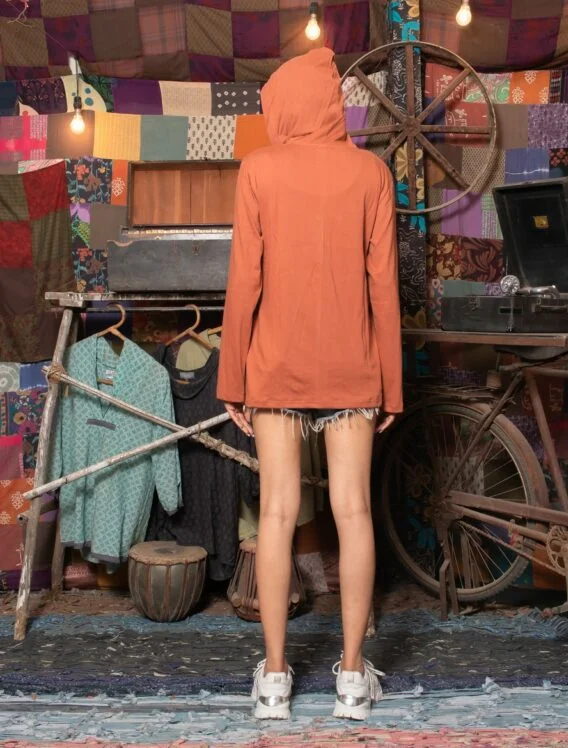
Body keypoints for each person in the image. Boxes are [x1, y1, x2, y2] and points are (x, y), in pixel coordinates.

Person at [217, 47, 402, 721]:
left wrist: (232, 378)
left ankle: (274, 681)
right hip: (353, 367)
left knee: (275, 513)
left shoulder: (259, 169)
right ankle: (351, 680)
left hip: (276, 367)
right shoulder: (372, 173)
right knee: (353, 512)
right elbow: (384, 288)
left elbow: (245, 281)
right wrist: (392, 386)